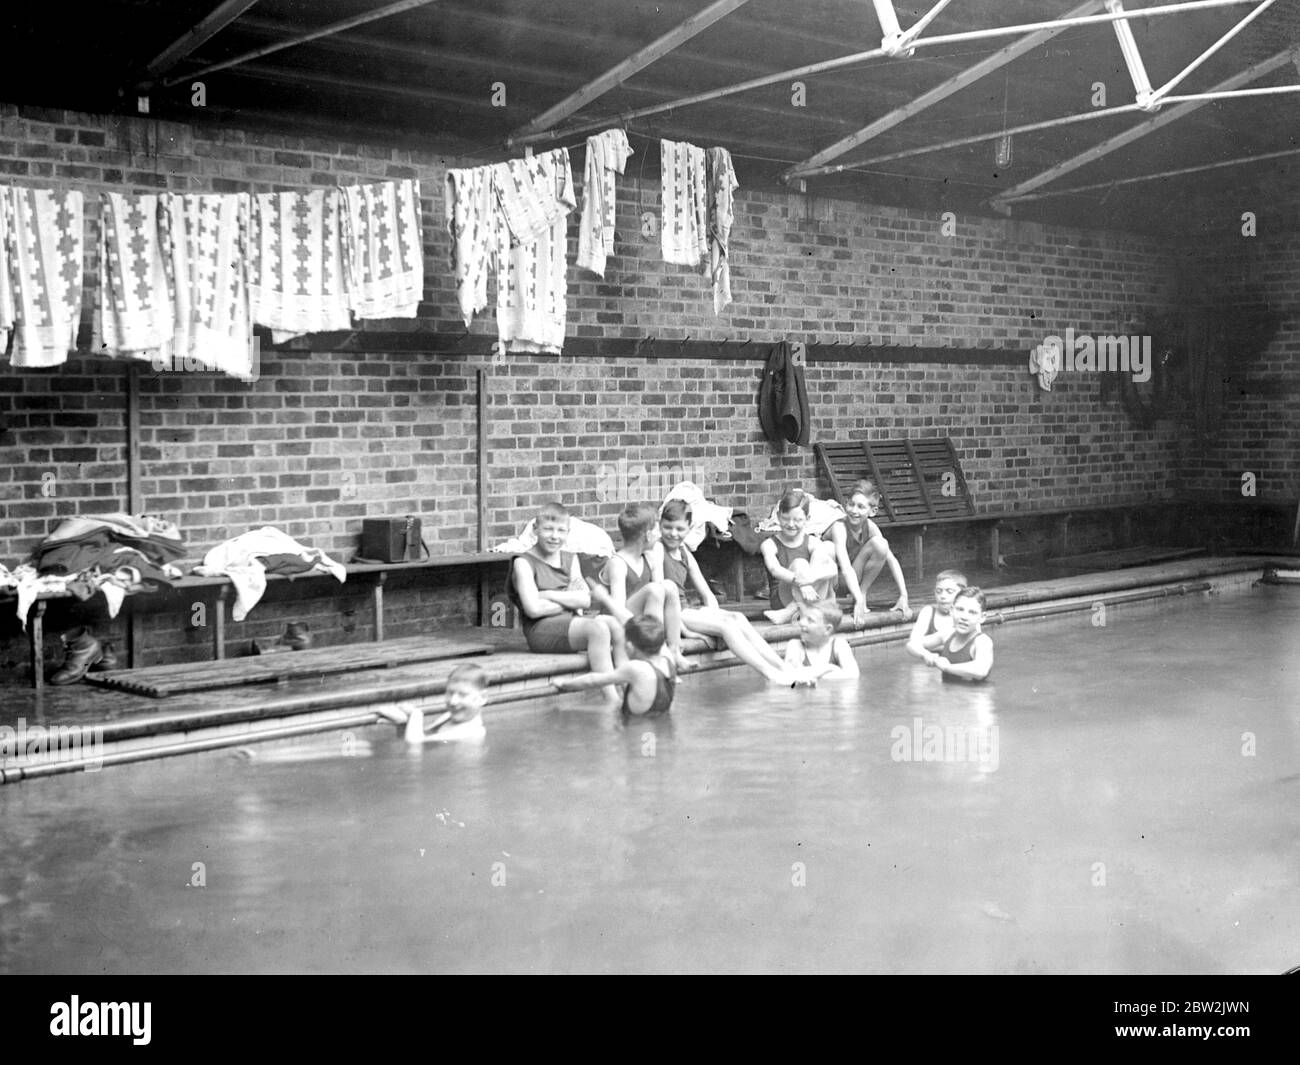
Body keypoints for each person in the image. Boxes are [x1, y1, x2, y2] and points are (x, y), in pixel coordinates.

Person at [656, 499, 795, 684]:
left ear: (689, 528)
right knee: (726, 626)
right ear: (660, 525)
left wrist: (715, 614)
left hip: (687, 611)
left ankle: (783, 666)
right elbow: (659, 594)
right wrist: (685, 631)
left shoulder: (683, 552)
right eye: (667, 528)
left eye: (679, 529)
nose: (673, 534)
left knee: (736, 618)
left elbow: (707, 595)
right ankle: (770, 673)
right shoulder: (657, 549)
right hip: (672, 615)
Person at [508, 502, 625, 708]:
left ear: (568, 532)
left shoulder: (570, 559)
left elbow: (584, 600)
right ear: (536, 529)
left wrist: (548, 594)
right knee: (597, 628)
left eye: (561, 531)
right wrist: (568, 601)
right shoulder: (523, 563)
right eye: (548, 529)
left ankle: (628, 687)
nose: (555, 536)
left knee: (615, 625)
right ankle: (611, 700)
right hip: (541, 631)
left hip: (571, 623)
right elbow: (533, 610)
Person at [587, 502, 691, 673]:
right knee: (654, 589)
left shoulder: (648, 555)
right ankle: (654, 655)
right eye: (658, 530)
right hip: (619, 622)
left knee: (669, 586)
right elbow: (617, 610)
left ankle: (673, 650)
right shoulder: (618, 564)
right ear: (648, 535)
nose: (660, 536)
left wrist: (683, 628)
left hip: (642, 620)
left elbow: (663, 595)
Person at [823, 479, 911, 625]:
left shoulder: (870, 527)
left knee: (881, 544)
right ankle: (831, 601)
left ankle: (862, 593)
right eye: (851, 504)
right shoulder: (839, 527)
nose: (854, 511)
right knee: (828, 547)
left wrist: (904, 595)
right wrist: (856, 599)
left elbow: (892, 560)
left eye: (861, 507)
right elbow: (845, 568)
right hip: (831, 581)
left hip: (851, 579)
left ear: (873, 511)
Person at [552, 615, 677, 717]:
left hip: (642, 739)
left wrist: (564, 683)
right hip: (661, 732)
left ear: (629, 647)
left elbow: (593, 680)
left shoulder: (636, 669)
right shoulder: (668, 661)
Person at [759, 488, 839, 625]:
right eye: (785, 518)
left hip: (811, 593)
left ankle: (792, 611)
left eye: (797, 520)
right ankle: (807, 609)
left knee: (826, 550)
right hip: (783, 597)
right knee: (800, 563)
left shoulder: (813, 542)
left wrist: (810, 579)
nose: (791, 524)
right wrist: (801, 582)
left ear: (807, 519)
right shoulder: (769, 544)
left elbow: (833, 570)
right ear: (778, 516)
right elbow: (774, 570)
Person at [381, 661, 489, 743]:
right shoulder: (447, 717)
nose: (453, 701)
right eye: (450, 693)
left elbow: (415, 745)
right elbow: (419, 737)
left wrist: (416, 715)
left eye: (463, 695)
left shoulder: (472, 732)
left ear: (482, 698)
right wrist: (403, 724)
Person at [920, 587, 993, 682]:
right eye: (960, 609)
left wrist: (947, 667)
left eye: (972, 612)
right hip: (948, 695)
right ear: (951, 610)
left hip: (974, 696)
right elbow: (912, 644)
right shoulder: (947, 635)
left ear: (982, 617)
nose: (964, 617)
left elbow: (981, 670)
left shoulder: (982, 642)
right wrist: (925, 654)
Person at [783, 600, 860, 681]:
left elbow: (853, 675)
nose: (801, 623)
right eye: (803, 618)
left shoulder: (838, 644)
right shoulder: (795, 645)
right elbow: (788, 675)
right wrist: (829, 668)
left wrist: (806, 674)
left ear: (827, 629)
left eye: (810, 620)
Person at [904, 570, 967, 660]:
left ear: (962, 594)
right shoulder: (928, 612)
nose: (943, 596)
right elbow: (912, 643)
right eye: (938, 591)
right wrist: (927, 655)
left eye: (949, 591)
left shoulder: (968, 615)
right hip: (930, 663)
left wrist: (933, 644)